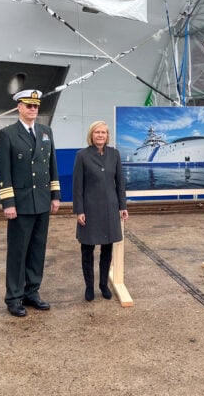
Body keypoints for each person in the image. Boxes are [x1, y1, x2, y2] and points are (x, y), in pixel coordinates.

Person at [0, 89, 61, 316]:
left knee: (37, 250)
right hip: (21, 203)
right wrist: (8, 203)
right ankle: (14, 297)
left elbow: (52, 165)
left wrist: (55, 195)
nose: (33, 109)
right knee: (18, 251)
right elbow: (4, 171)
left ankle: (32, 291)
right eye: (28, 105)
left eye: (36, 106)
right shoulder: (8, 134)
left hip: (42, 200)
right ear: (19, 108)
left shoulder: (46, 131)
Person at [72, 121, 128, 301]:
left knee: (107, 248)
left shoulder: (115, 154)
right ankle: (89, 287)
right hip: (89, 209)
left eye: (103, 132)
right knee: (87, 249)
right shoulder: (82, 156)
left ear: (107, 135)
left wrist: (123, 206)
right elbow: (77, 186)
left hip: (110, 209)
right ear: (91, 135)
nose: (100, 135)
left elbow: (120, 183)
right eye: (97, 132)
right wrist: (79, 210)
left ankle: (103, 284)